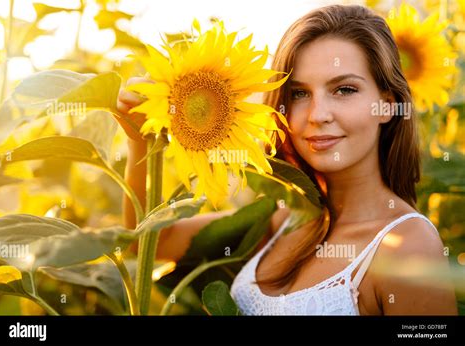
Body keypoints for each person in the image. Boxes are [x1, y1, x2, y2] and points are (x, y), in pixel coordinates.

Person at [115, 4, 457, 315]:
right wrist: (139, 140)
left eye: (344, 90)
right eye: (299, 94)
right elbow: (148, 242)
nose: (317, 114)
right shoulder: (283, 221)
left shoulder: (408, 247)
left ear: (387, 104)